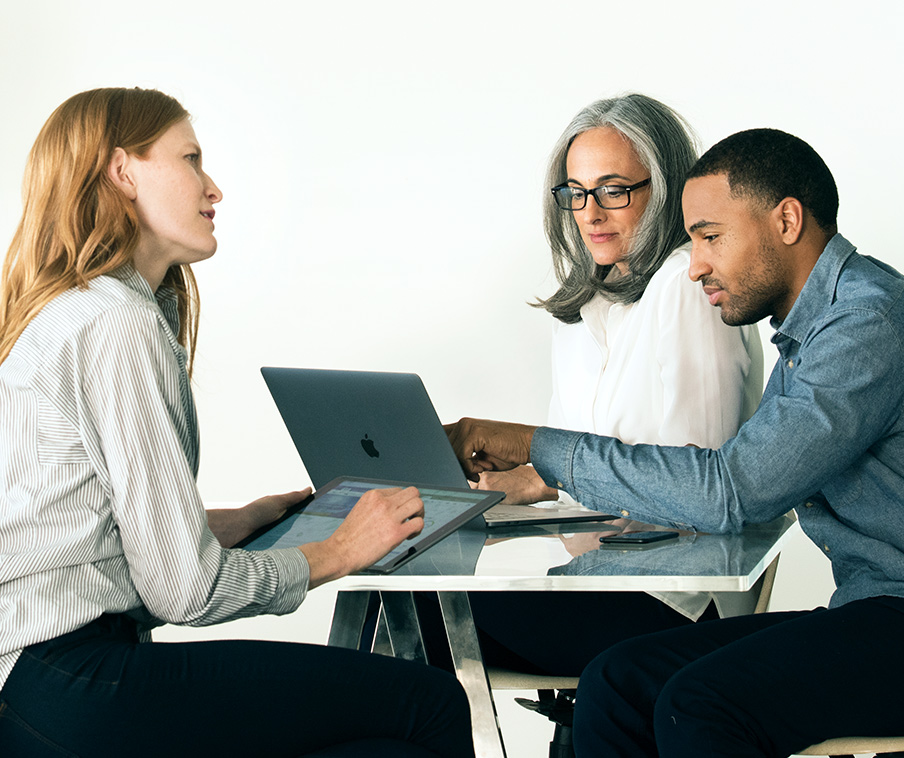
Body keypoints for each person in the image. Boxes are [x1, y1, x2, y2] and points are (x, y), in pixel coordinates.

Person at [0, 87, 474, 758]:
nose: (213, 187)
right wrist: (337, 552)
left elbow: (76, 530)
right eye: (191, 158)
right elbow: (184, 592)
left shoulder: (72, 313)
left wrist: (232, 522)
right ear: (121, 172)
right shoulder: (114, 322)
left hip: (34, 683)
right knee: (427, 702)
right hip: (75, 679)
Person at [446, 128, 904, 757]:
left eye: (711, 237)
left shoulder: (865, 323)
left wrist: (538, 447)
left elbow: (736, 488)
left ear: (788, 221)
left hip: (893, 618)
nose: (695, 266)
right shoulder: (812, 332)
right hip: (870, 612)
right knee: (621, 680)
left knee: (699, 704)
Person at [451, 94, 763, 677]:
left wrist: (546, 471)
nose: (591, 212)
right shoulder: (582, 306)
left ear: (665, 188)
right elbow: (580, 462)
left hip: (672, 599)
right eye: (576, 193)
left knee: (416, 613)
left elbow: (698, 487)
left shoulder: (685, 288)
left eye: (614, 190)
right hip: (589, 574)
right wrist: (520, 480)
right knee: (403, 604)